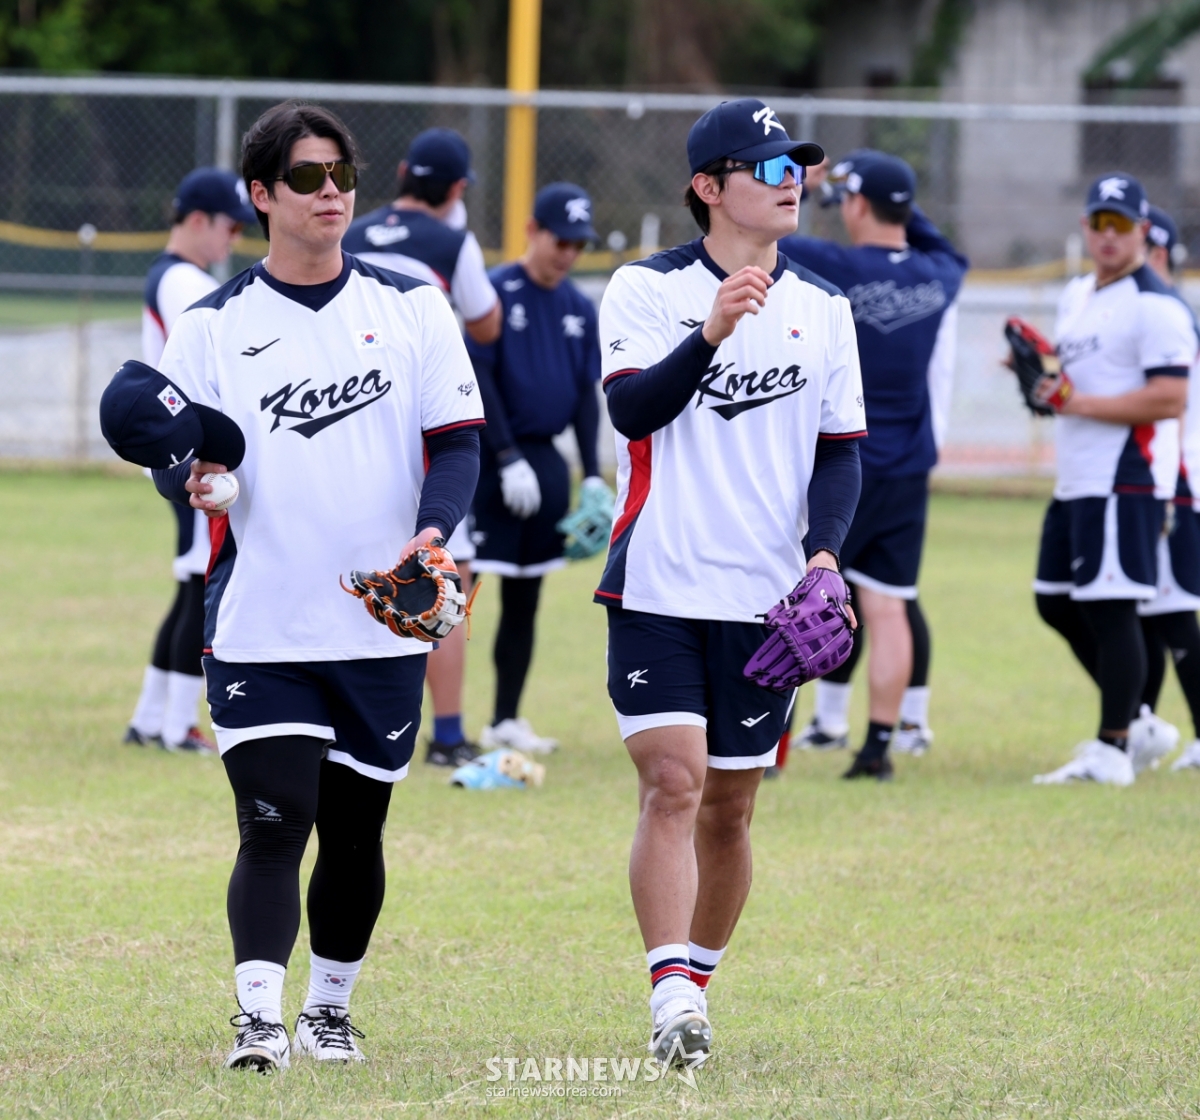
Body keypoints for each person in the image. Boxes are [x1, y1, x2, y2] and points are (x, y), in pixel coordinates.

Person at [152, 101, 484, 1069]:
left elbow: (458, 442)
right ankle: (259, 1019)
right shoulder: (212, 327)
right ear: (261, 194)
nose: (331, 191)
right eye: (306, 176)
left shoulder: (412, 306)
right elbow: (178, 461)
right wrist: (194, 480)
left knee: (354, 830)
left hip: (382, 623)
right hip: (263, 620)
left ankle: (328, 1010)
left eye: (341, 173)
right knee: (273, 823)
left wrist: (433, 532)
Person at [597, 99, 863, 1063]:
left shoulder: (825, 307)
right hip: (659, 583)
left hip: (766, 601)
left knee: (731, 807)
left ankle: (697, 988)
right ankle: (669, 994)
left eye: (797, 165)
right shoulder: (644, 288)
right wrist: (708, 331)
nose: (793, 181)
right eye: (768, 166)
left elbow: (841, 452)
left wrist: (824, 555)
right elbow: (633, 412)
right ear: (708, 187)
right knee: (674, 782)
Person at [776, 151, 968, 780]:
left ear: (856, 204)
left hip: (840, 459)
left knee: (800, 595)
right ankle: (878, 747)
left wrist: (807, 185)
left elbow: (768, 235)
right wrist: (898, 200)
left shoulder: (831, 264)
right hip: (909, 464)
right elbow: (944, 247)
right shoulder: (939, 274)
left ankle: (771, 742)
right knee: (890, 606)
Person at [343, 127, 501, 768]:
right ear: (457, 189)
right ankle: (449, 733)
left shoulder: (349, 230)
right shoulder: (452, 241)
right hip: (429, 419)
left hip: (354, 412)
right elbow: (486, 323)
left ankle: (342, 714)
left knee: (357, 559)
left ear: (403, 171)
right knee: (445, 573)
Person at [1031, 173, 1194, 786]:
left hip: (1125, 477)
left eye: (1120, 224)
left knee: (1112, 608)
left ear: (1143, 231)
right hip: (1077, 475)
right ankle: (1139, 721)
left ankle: (1114, 748)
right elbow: (1078, 380)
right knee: (1054, 600)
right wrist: (1040, 380)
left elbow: (1169, 398)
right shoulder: (1079, 293)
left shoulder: (1156, 305)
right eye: (1098, 222)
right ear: (1084, 227)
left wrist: (1075, 403)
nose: (1108, 235)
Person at [465, 182, 604, 755]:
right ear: (532, 231)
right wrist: (504, 455)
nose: (568, 253)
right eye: (560, 240)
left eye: (578, 244)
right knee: (450, 596)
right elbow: (478, 378)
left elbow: (585, 395)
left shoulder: (578, 307)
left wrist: (590, 473)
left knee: (525, 602)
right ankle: (438, 724)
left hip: (546, 462)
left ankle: (504, 718)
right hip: (488, 458)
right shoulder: (495, 292)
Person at [124, 168, 255, 754]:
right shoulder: (183, 279)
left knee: (189, 586)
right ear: (198, 220)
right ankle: (179, 726)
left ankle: (151, 719)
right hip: (190, 454)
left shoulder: (171, 273)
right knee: (203, 585)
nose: (234, 239)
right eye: (231, 226)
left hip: (174, 451)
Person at [1136, 205, 1200, 770]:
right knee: (1146, 614)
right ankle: (1142, 726)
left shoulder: (1168, 313)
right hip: (1162, 479)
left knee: (1174, 611)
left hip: (1177, 482)